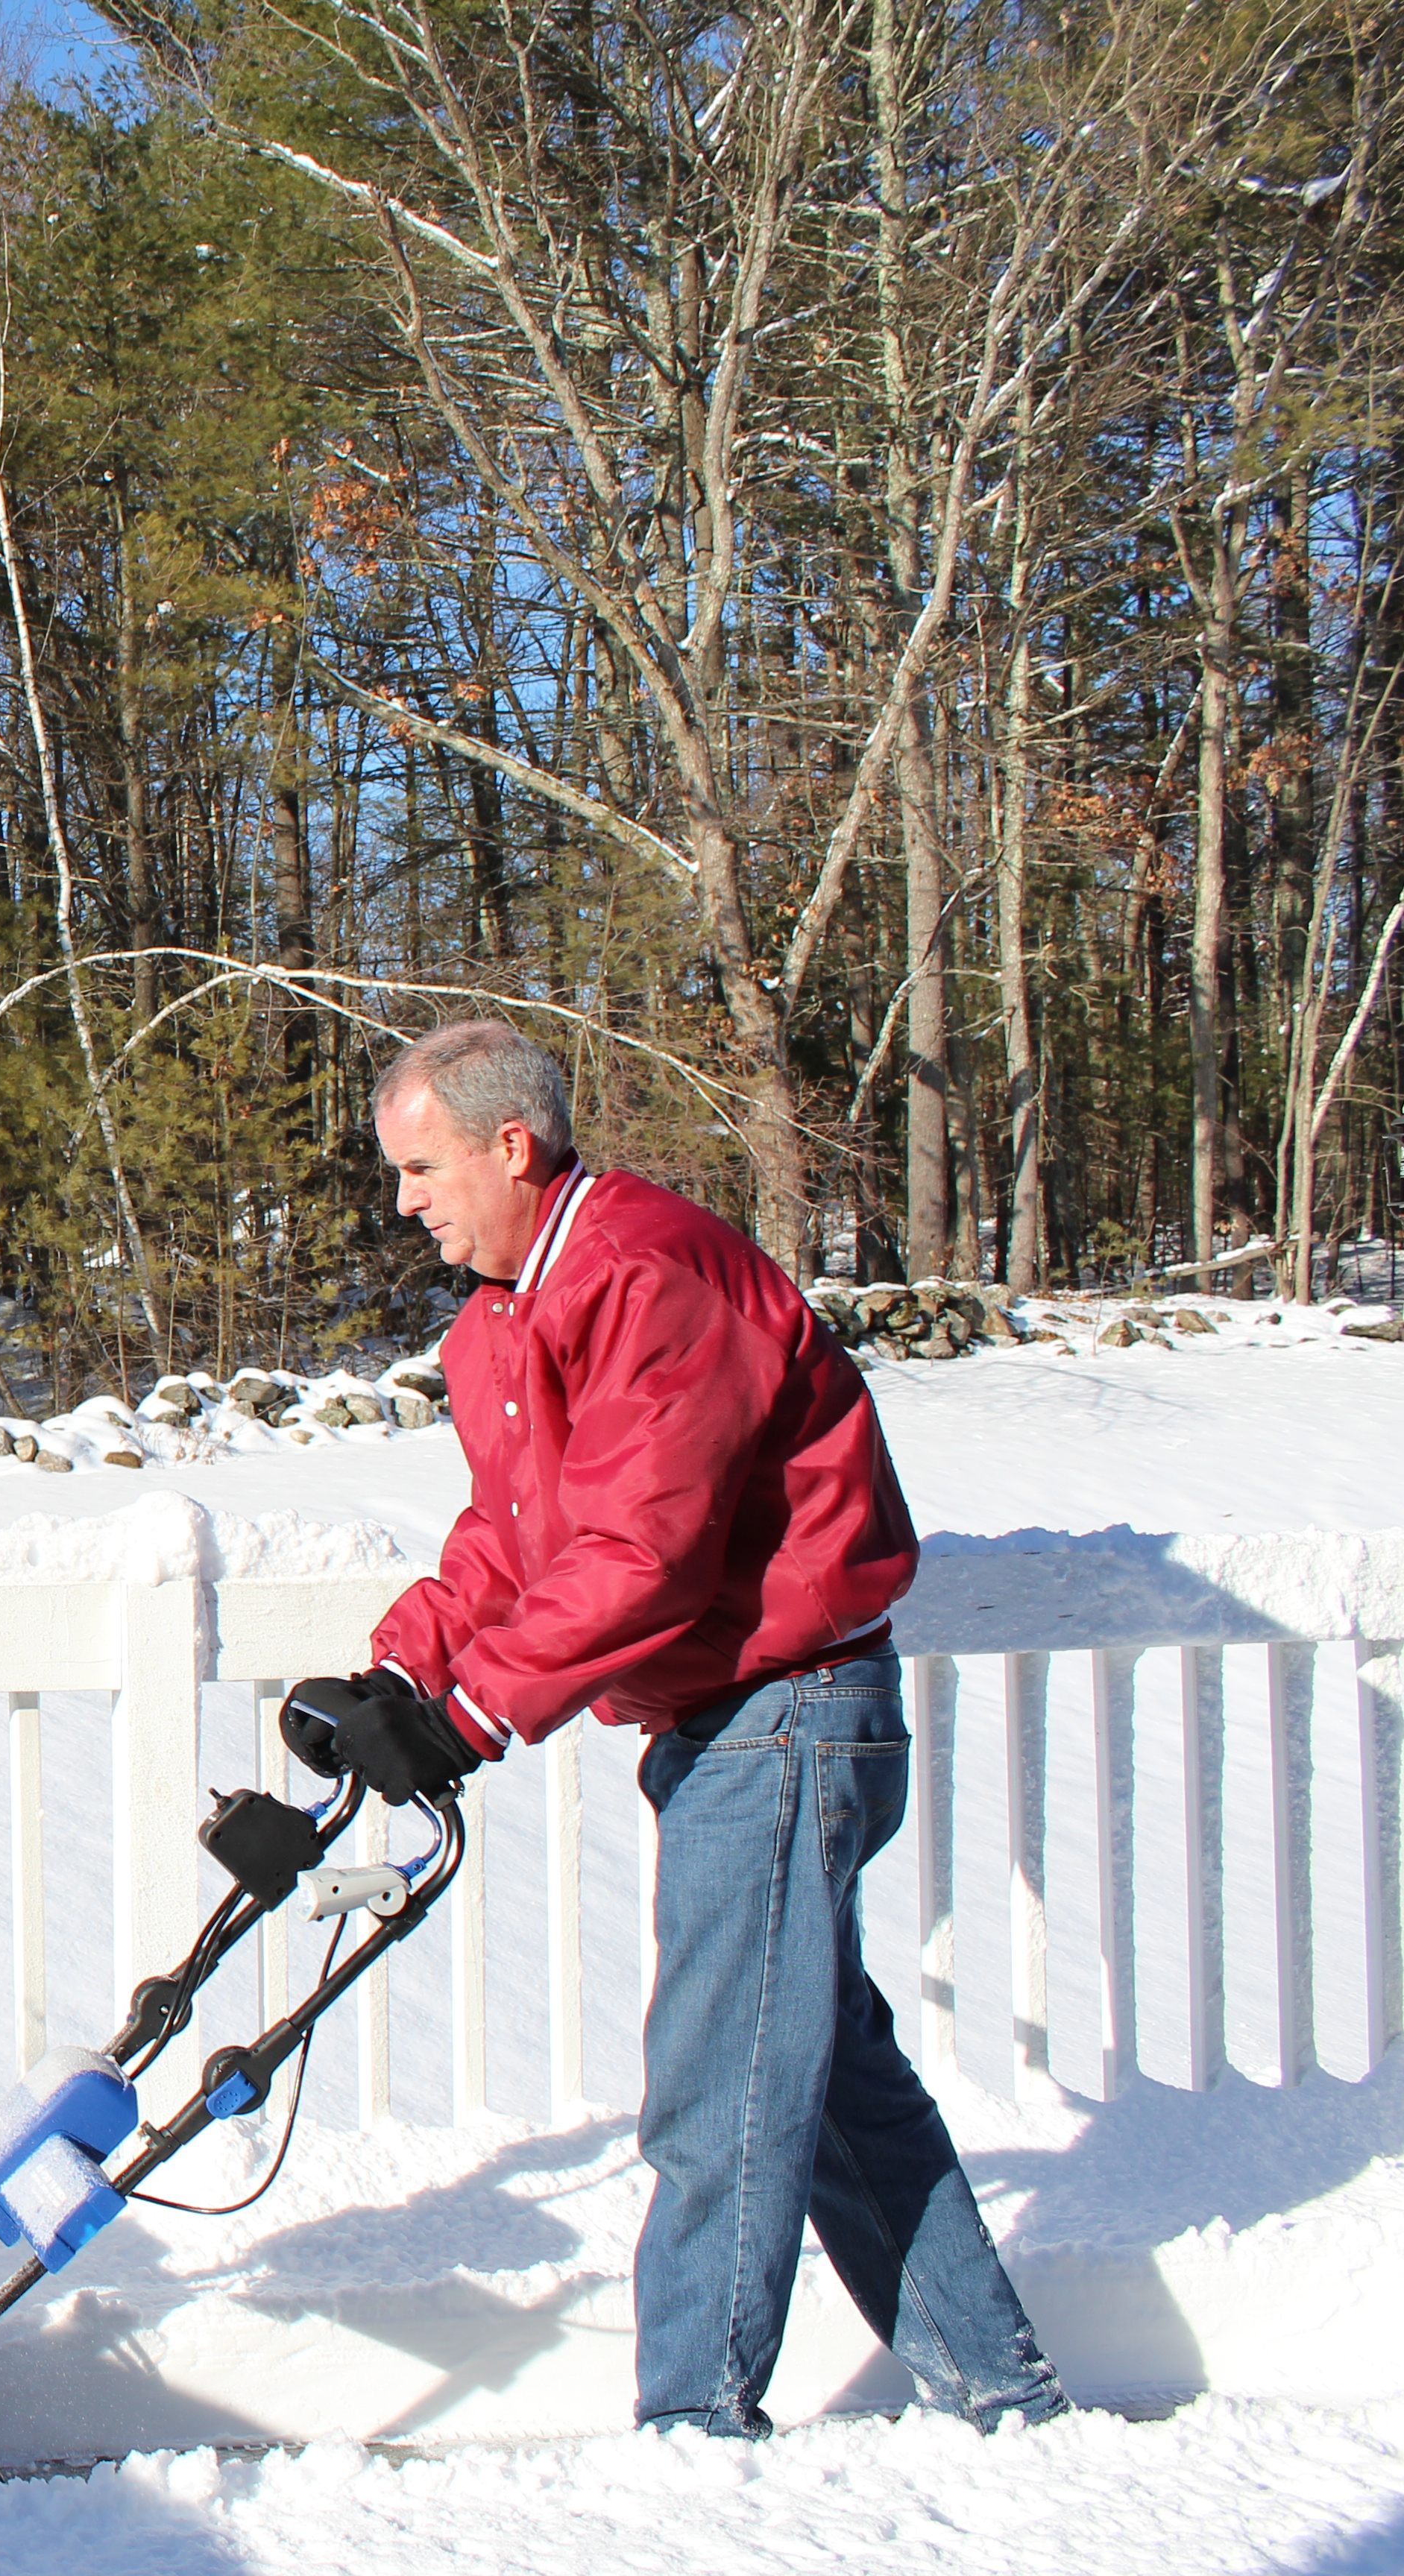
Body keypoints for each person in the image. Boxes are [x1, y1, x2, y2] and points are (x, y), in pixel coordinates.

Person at [295, 1019, 1065, 2440]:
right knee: (822, 2074)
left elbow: (649, 1549)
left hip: (786, 1714)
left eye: (420, 1167)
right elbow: (519, 1533)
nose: (403, 1199)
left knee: (722, 2094)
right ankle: (1004, 2390)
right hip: (736, 1725)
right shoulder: (508, 1313)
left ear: (509, 1146)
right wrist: (402, 1672)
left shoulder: (648, 1275)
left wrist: (474, 1712)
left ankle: (694, 2434)